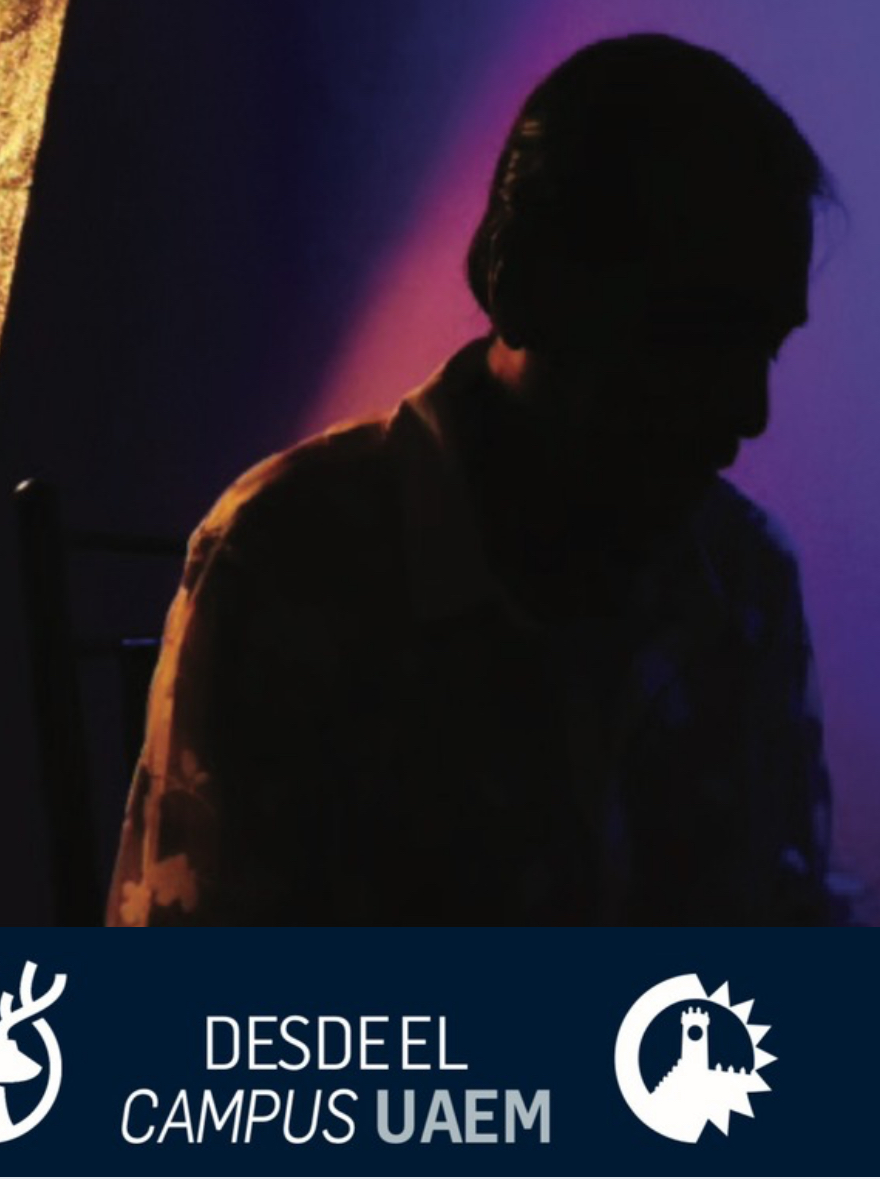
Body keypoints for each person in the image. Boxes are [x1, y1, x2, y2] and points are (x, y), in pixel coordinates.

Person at [107, 33, 837, 926]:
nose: (750, 411)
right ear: (528, 282)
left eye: (764, 345)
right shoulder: (291, 561)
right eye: (693, 338)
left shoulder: (745, 580)